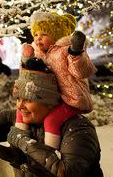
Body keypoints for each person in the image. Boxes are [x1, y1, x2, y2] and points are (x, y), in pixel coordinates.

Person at [0, 60, 103, 176]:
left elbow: (69, 173)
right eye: (18, 99)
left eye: (28, 100)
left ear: (49, 102)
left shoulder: (77, 128)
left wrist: (25, 143)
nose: (20, 106)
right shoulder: (17, 119)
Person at [16, 12, 96, 148]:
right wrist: (26, 60)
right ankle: (17, 144)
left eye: (44, 35)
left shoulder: (65, 51)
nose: (38, 38)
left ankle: (49, 152)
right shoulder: (38, 53)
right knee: (20, 112)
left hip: (71, 99)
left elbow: (83, 71)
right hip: (50, 98)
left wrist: (76, 53)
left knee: (51, 121)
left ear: (56, 35)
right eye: (36, 35)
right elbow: (28, 75)